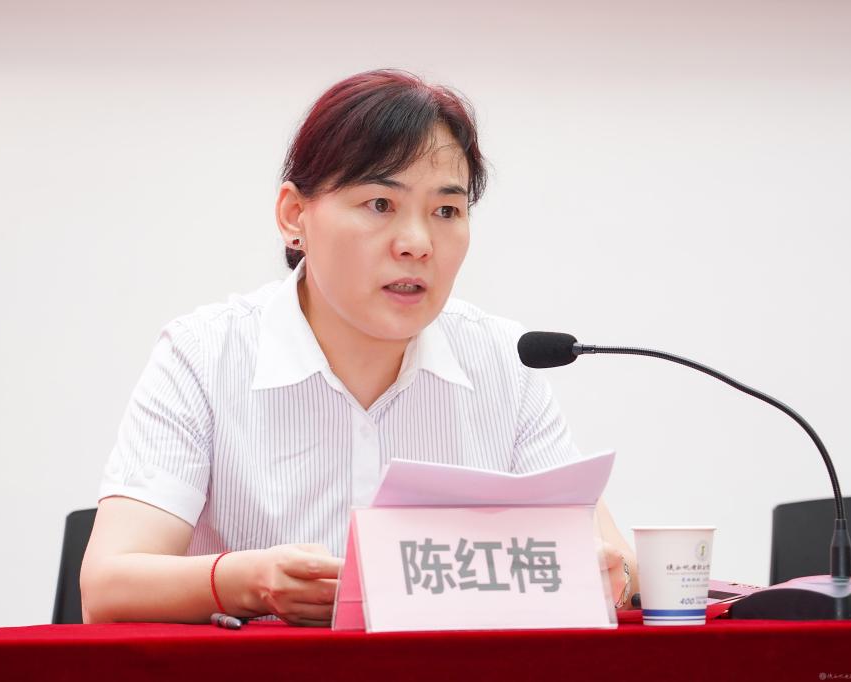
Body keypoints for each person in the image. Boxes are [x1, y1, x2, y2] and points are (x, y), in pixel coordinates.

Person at [80, 68, 639, 627]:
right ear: (294, 216)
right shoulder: (205, 355)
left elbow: (617, 565)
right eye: (379, 204)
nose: (417, 243)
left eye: (446, 211)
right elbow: (107, 586)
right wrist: (247, 582)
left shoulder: (503, 361)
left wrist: (613, 577)